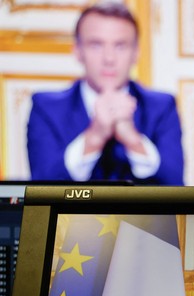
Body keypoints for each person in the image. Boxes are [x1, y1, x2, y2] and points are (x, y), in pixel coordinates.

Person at [27, 2, 184, 185]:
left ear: (136, 53)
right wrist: (94, 136)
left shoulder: (162, 107)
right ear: (78, 51)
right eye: (96, 45)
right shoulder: (45, 108)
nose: (109, 59)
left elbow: (176, 188)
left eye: (120, 46)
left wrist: (133, 140)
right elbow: (41, 190)